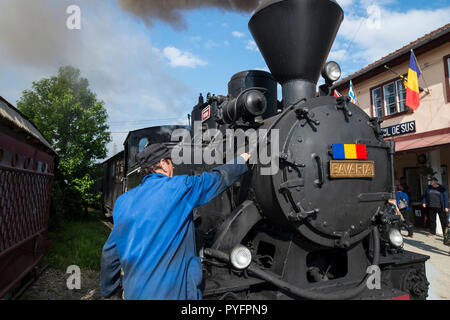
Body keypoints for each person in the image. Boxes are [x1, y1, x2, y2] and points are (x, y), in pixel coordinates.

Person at [100, 143, 250, 300]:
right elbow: (216, 180)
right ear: (164, 164)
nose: (173, 169)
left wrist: (110, 292)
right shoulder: (179, 187)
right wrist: (241, 160)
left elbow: (109, 254)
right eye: (171, 163)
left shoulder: (123, 201)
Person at [422, 177, 449, 242]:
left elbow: (446, 198)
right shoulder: (429, 188)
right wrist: (424, 202)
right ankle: (432, 232)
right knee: (432, 220)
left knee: (443, 221)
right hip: (431, 206)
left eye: (432, 181)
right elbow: (425, 196)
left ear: (435, 182)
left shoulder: (442, 188)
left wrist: (446, 207)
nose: (430, 182)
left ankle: (445, 234)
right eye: (430, 181)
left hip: (440, 207)